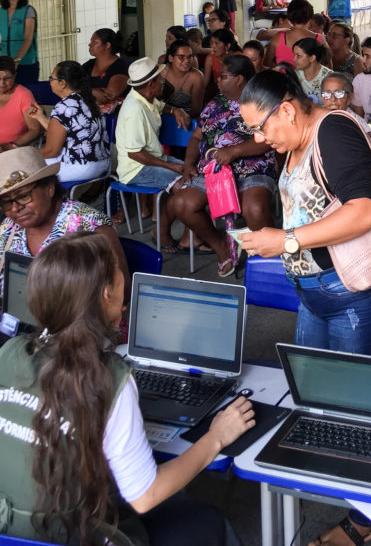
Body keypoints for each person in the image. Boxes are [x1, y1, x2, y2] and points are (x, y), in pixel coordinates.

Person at [0, 232, 254, 545]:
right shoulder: (107, 377)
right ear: (107, 294)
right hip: (74, 534)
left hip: (9, 530)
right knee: (208, 521)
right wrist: (216, 438)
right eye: (121, 275)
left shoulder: (11, 351)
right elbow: (145, 496)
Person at [238, 68, 371, 352]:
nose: (258, 138)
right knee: (313, 385)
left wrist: (286, 239)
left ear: (287, 110)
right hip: (315, 293)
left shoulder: (333, 130)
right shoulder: (295, 139)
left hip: (353, 291)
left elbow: (365, 211)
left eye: (259, 127)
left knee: (347, 393)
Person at [163, 55, 276, 275]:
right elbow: (197, 137)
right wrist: (188, 164)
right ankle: (221, 247)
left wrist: (234, 151)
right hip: (214, 170)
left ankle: (267, 259)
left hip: (252, 167)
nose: (218, 80)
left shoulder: (261, 102)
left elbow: (268, 139)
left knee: (254, 208)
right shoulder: (214, 103)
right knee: (183, 203)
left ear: (239, 79)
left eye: (223, 76)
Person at [0, 147, 128, 298]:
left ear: (49, 188)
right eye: (6, 202)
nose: (15, 208)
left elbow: (121, 294)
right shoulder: (8, 227)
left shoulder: (91, 227)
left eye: (23, 196)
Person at [114, 58, 184, 218]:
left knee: (194, 172)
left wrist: (175, 111)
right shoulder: (135, 110)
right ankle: (164, 231)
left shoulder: (144, 97)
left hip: (153, 160)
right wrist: (170, 167)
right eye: (160, 79)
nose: (163, 82)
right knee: (185, 185)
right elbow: (135, 154)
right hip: (136, 170)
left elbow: (161, 106)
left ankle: (188, 231)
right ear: (150, 85)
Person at [31, 60, 110, 185]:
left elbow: (52, 150)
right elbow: (65, 133)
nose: (50, 81)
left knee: (26, 168)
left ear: (62, 83)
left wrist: (25, 154)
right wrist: (41, 117)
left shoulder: (64, 107)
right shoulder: (88, 100)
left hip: (80, 166)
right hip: (102, 164)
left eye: (52, 78)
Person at [0, 0, 38, 85]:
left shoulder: (28, 10)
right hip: (5, 63)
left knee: (25, 94)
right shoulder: (1, 12)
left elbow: (28, 39)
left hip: (25, 62)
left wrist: (16, 61)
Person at [264, 0, 324, 68]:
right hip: (310, 78)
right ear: (310, 18)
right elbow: (327, 65)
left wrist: (282, 70)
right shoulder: (319, 39)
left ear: (289, 16)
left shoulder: (278, 38)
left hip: (282, 78)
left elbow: (267, 63)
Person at [159, 39, 205, 127]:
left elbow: (196, 111)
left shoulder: (196, 77)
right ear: (171, 58)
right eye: (181, 57)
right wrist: (173, 112)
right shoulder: (162, 72)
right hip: (160, 121)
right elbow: (153, 103)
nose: (187, 60)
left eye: (190, 57)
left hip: (185, 124)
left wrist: (179, 119)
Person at [0, 56, 43, 150]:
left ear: (14, 76)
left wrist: (11, 146)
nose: (2, 83)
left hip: (14, 151)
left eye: (7, 78)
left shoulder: (23, 95)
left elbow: (34, 130)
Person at [83, 28, 129, 110]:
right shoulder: (89, 65)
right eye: (91, 41)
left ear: (107, 45)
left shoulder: (120, 66)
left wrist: (82, 91)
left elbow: (111, 95)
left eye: (95, 42)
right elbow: (72, 84)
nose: (90, 44)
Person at [202, 27, 241, 94]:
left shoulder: (239, 58)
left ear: (227, 46)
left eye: (216, 43)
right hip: (218, 92)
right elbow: (205, 84)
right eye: (211, 43)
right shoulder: (210, 58)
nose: (213, 46)